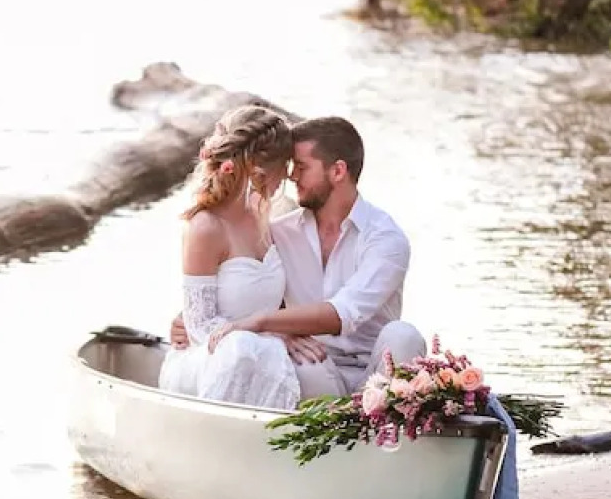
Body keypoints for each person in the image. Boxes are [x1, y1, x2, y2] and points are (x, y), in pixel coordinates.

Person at [167, 115, 426, 404]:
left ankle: (392, 426)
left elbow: (344, 313)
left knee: (404, 336)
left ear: (338, 171)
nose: (291, 176)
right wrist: (187, 320)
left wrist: (264, 323)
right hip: (310, 363)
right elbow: (246, 286)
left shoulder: (385, 239)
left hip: (374, 367)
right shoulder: (278, 232)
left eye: (301, 167)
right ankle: (328, 430)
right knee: (304, 366)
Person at [156, 104, 302, 410]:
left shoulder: (272, 214)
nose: (288, 176)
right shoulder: (205, 228)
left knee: (278, 356)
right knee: (240, 348)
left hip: (262, 346)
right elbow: (200, 325)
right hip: (210, 357)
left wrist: (287, 332)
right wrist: (269, 336)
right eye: (284, 167)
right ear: (259, 170)